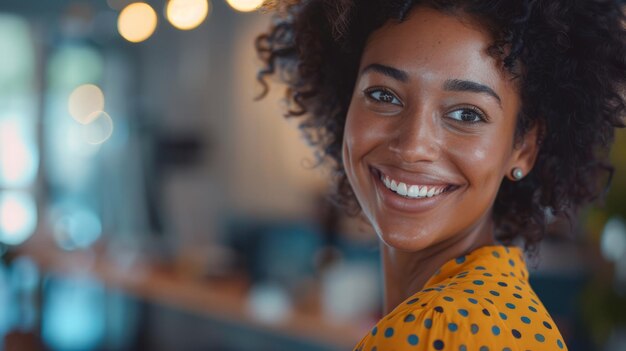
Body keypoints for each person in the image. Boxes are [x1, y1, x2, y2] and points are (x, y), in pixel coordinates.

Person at [255, 0, 626, 350]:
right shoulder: (493, 306)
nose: (414, 145)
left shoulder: (439, 325)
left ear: (524, 148)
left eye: (466, 115)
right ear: (345, 99)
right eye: (384, 95)